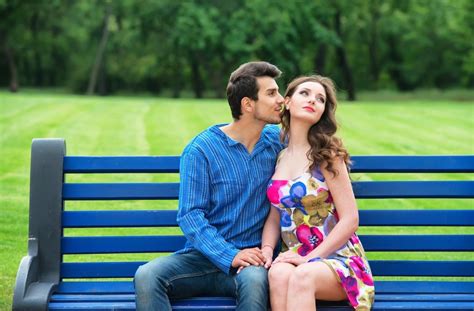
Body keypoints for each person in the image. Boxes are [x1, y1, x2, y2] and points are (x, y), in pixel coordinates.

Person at [134, 61, 285, 311]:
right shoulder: (201, 150)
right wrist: (230, 255)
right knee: (147, 276)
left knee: (256, 281)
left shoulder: (277, 143)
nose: (281, 99)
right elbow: (190, 215)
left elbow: (316, 146)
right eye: (271, 93)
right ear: (248, 104)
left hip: (253, 262)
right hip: (202, 258)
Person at [261, 75, 375, 310]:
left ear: (322, 112)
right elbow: (275, 216)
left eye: (320, 99)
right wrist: (267, 251)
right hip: (296, 255)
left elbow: (351, 219)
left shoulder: (327, 155)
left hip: (338, 259)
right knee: (278, 274)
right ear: (288, 102)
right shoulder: (280, 157)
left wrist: (309, 258)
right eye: (305, 93)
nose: (313, 100)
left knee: (302, 275)